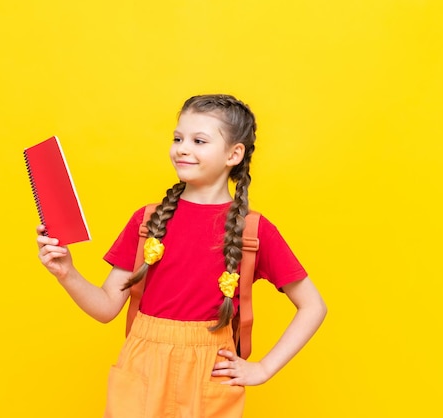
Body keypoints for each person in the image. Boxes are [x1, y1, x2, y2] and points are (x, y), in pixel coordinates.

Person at [36, 94, 327, 417]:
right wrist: (67, 272)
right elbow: (106, 308)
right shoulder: (147, 221)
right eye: (178, 138)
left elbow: (313, 305)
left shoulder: (253, 231)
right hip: (142, 366)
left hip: (210, 373)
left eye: (199, 140)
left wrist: (263, 369)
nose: (182, 148)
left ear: (234, 154)